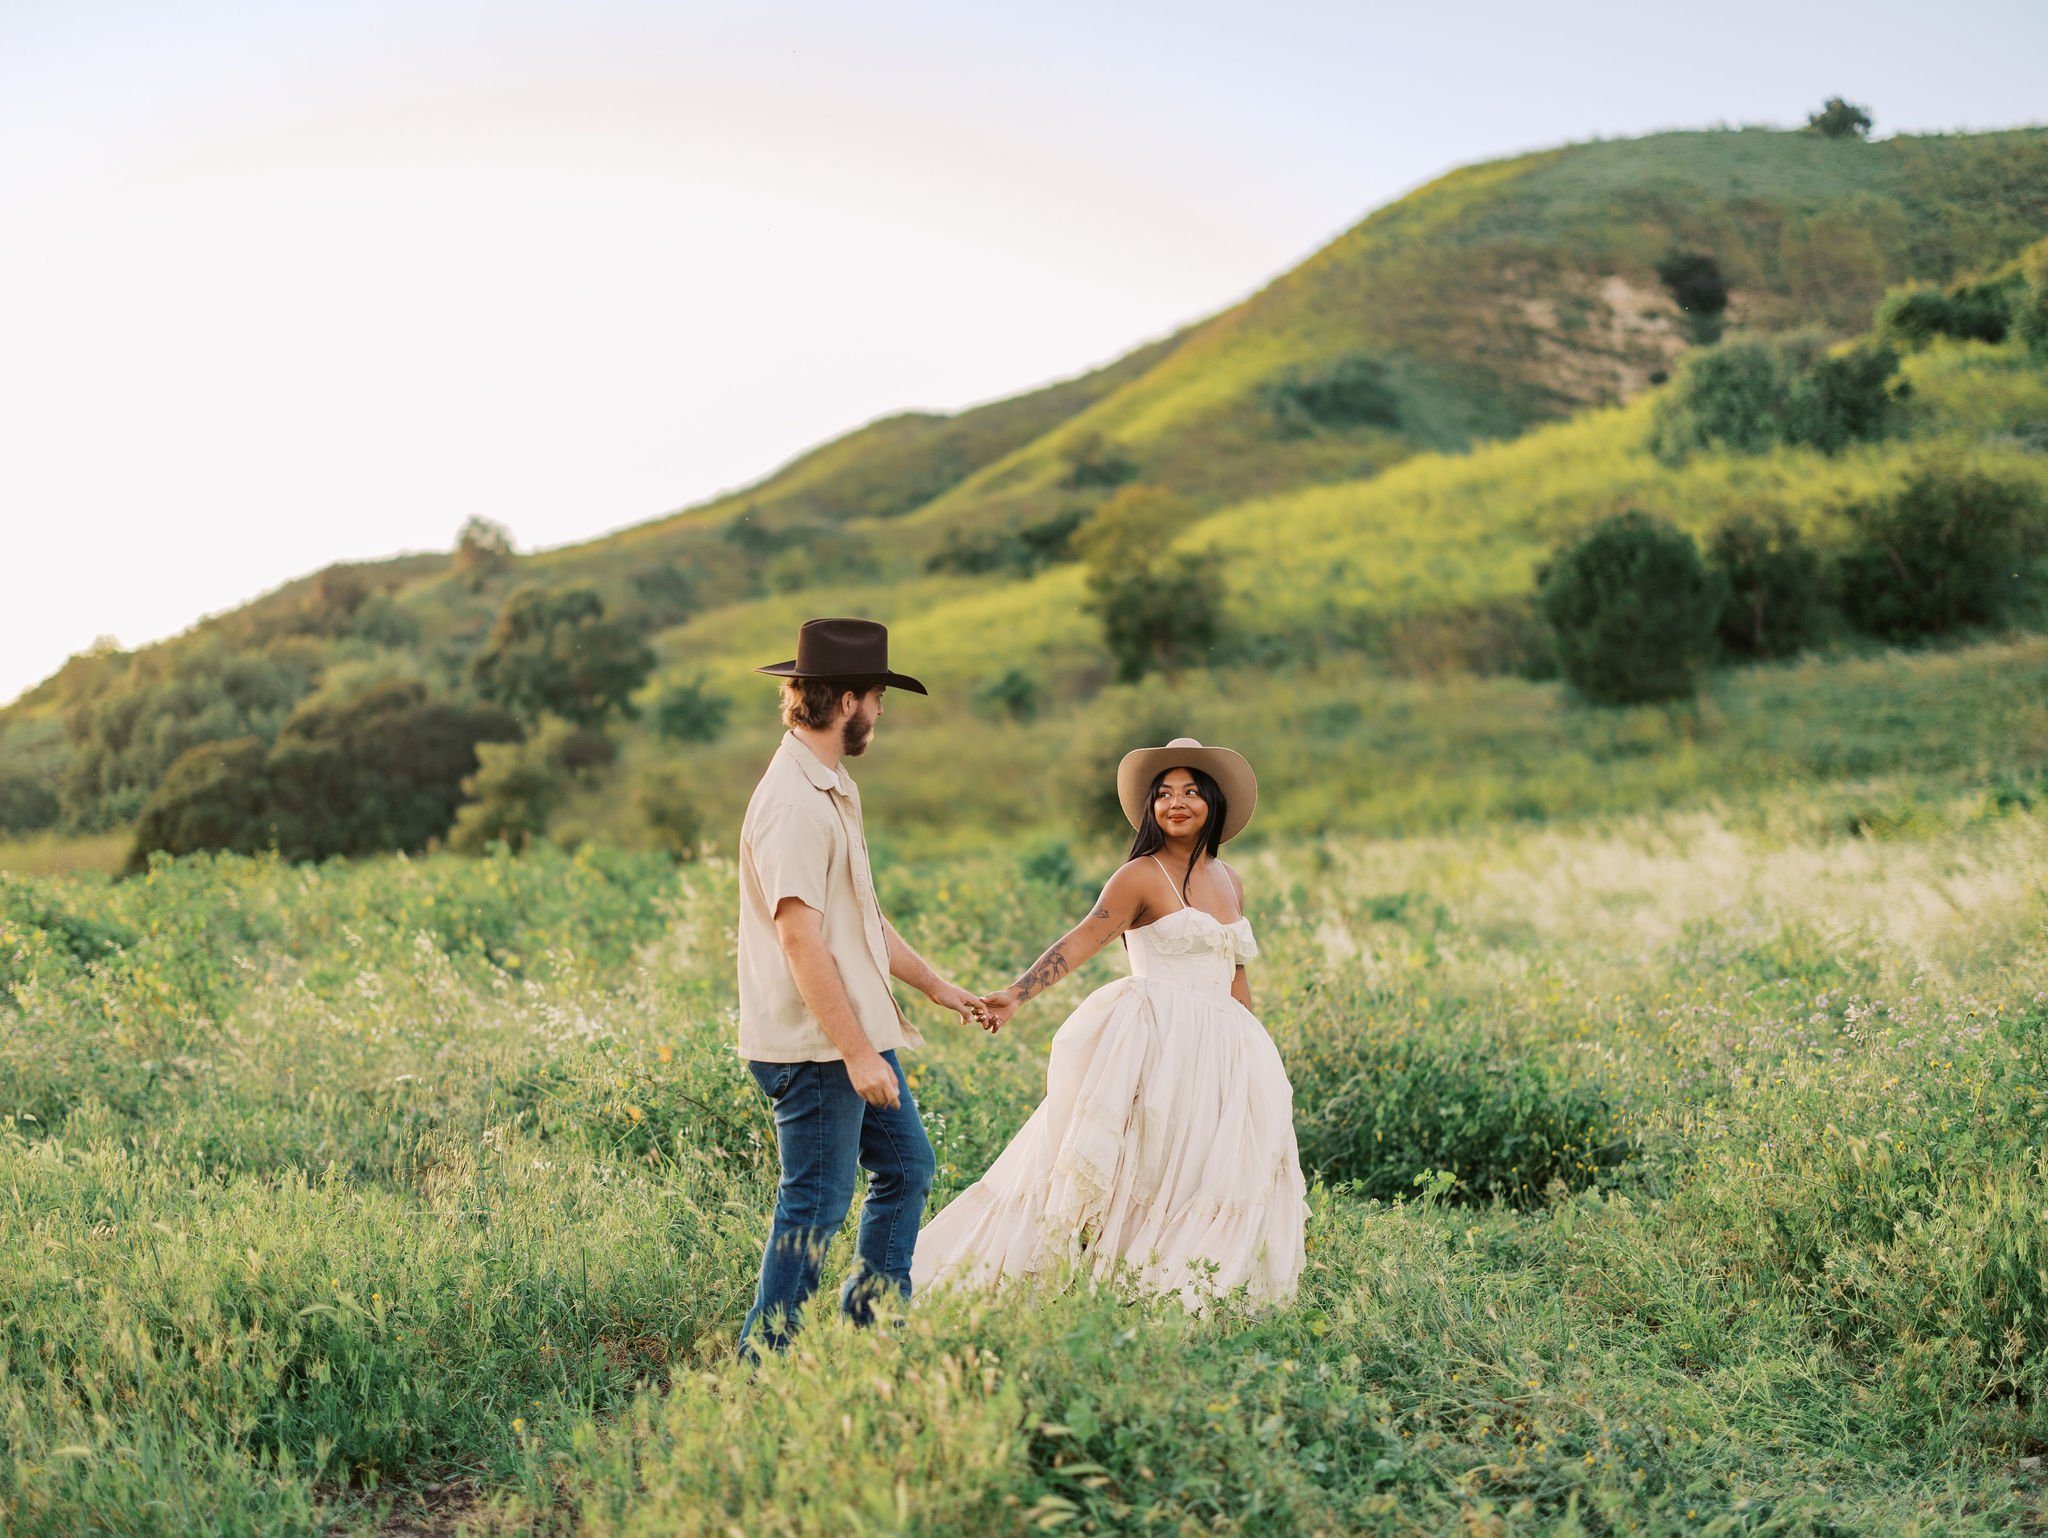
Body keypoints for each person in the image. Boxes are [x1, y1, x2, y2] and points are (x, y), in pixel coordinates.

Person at [911, 737, 1307, 1309]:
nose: (1177, 803)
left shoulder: (1230, 879)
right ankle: (1085, 1284)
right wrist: (1018, 993)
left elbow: (1234, 970)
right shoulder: (1139, 876)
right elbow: (1085, 937)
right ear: (1150, 807)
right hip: (1157, 1038)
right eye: (1164, 793)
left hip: (1223, 1045)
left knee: (1206, 1169)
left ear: (1213, 803)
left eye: (1192, 792)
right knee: (1139, 1162)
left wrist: (1254, 1053)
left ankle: (1186, 1289)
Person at [735, 617, 989, 1357]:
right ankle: (763, 1368)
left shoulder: (829, 786)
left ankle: (873, 1330)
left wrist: (939, 987)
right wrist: (856, 1054)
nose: (881, 713)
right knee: (813, 1207)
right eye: (877, 698)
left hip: (847, 1036)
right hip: (817, 1048)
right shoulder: (794, 802)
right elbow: (799, 937)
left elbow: (859, 919)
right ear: (847, 699)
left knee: (908, 1166)